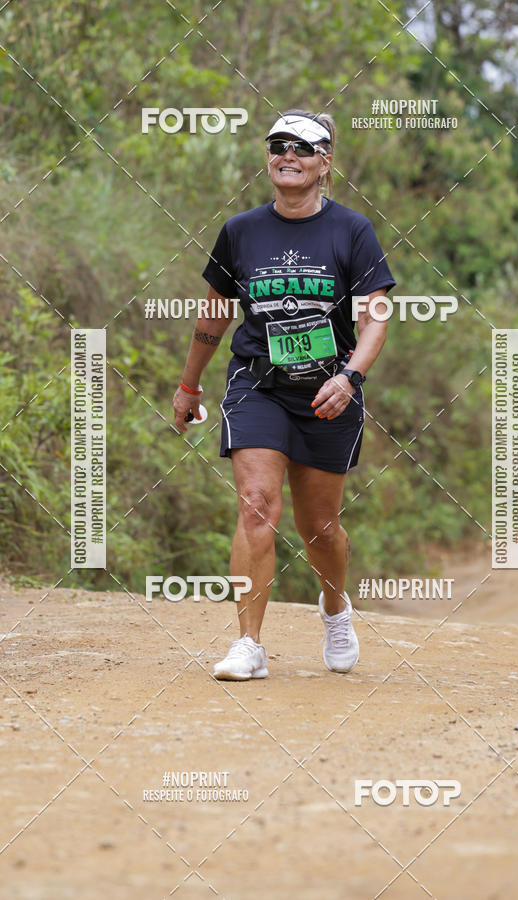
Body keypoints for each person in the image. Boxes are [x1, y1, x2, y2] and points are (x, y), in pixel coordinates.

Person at [173, 109, 395, 680]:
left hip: (328, 392)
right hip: (258, 385)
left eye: (302, 146)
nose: (287, 155)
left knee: (319, 527)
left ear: (325, 161)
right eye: (278, 145)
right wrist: (189, 384)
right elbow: (214, 315)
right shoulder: (241, 231)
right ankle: (248, 644)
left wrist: (350, 377)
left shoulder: (352, 230)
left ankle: (335, 609)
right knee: (256, 504)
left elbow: (374, 319)